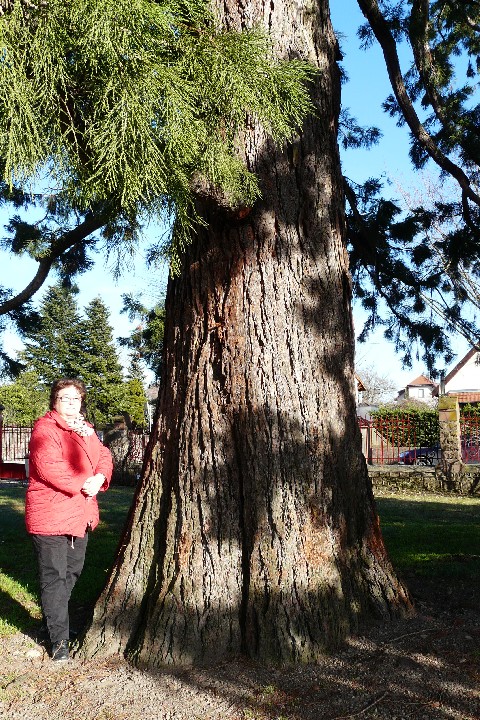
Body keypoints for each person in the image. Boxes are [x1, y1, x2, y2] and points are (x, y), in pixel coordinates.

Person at [25, 378, 113, 662]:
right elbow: (49, 467)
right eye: (65, 398)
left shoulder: (85, 429)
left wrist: (100, 477)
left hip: (80, 515)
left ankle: (52, 623)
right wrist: (85, 483)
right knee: (55, 577)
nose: (71, 403)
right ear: (54, 401)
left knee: (72, 572)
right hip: (51, 514)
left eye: (76, 398)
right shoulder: (45, 429)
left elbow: (105, 456)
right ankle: (59, 641)